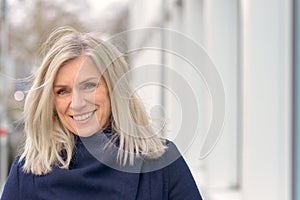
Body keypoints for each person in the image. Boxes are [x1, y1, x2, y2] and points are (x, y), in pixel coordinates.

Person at [1, 27, 202, 200]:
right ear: (51, 102)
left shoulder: (161, 162)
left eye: (89, 85)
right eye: (63, 91)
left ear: (114, 88)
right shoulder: (27, 173)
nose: (77, 104)